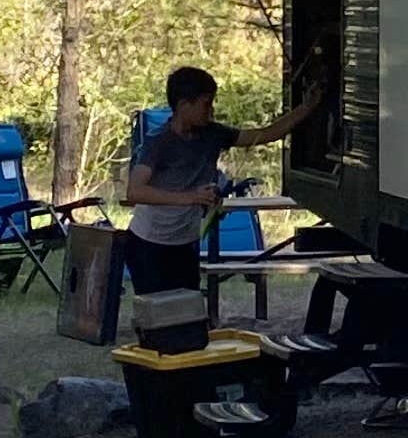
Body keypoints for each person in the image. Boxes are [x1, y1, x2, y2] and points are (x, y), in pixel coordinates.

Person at [118, 62, 322, 296]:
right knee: (156, 315)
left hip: (185, 244)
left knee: (187, 313)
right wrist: (191, 198)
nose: (211, 111)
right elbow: (135, 191)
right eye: (206, 104)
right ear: (184, 105)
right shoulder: (158, 141)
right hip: (149, 244)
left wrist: (305, 108)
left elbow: (265, 134)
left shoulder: (214, 134)